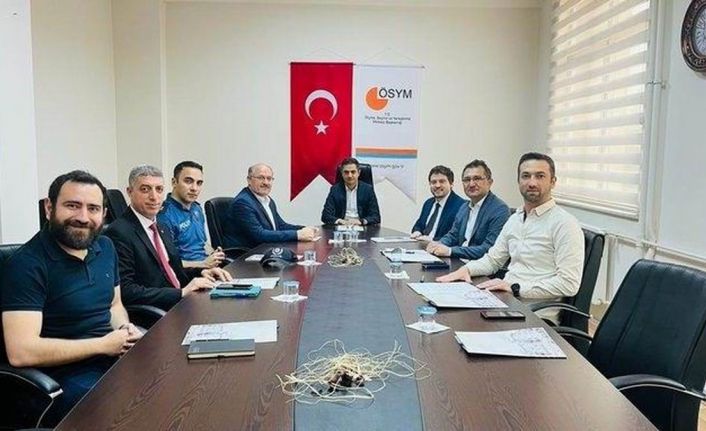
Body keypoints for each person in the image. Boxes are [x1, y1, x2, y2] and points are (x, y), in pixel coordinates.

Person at [1, 170, 143, 425]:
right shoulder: (26, 264)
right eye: (72, 205)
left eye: (93, 208)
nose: (83, 217)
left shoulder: (106, 247)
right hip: (65, 377)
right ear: (49, 208)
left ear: (104, 213)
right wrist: (103, 345)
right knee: (133, 409)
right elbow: (21, 352)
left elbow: (114, 304)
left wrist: (124, 328)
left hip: (112, 357)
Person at [437, 153, 584, 322]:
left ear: (553, 182)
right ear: (519, 181)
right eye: (526, 176)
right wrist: (466, 270)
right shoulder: (515, 219)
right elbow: (493, 260)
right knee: (446, 315)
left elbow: (569, 284)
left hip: (535, 315)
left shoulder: (565, 223)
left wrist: (515, 288)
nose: (532, 183)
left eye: (540, 176)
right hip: (505, 302)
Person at [105, 165, 231, 311]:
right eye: (145, 189)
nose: (154, 197)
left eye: (159, 189)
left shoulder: (161, 225)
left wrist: (201, 272)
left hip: (182, 302)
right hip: (160, 312)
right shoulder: (119, 232)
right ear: (129, 192)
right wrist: (181, 293)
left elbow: (172, 270)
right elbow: (126, 291)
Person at [426, 160, 510, 259]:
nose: (471, 184)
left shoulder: (500, 210)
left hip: (479, 265)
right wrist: (438, 244)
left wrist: (450, 251)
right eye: (467, 180)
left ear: (489, 182)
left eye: (477, 178)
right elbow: (453, 235)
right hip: (458, 261)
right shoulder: (464, 207)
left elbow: (489, 249)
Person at [223, 163, 318, 248]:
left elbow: (280, 226)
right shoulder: (243, 203)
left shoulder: (268, 200)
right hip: (245, 255)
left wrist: (304, 229)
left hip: (266, 249)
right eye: (261, 178)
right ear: (249, 180)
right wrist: (298, 234)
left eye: (269, 178)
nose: (266, 182)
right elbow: (259, 235)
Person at [157, 161, 225, 268]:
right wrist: (203, 264)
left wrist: (215, 254)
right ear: (174, 182)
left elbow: (202, 243)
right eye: (188, 181)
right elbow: (165, 262)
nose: (194, 188)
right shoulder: (164, 216)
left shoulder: (196, 208)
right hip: (188, 272)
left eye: (199, 183)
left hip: (207, 267)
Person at [410, 165, 466, 241]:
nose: (437, 185)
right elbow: (419, 224)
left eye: (442, 181)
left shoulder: (461, 206)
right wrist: (417, 231)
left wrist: (432, 239)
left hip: (441, 246)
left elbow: (457, 237)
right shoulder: (428, 203)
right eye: (433, 182)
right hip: (421, 244)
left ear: (451, 184)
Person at [321, 157, 381, 226]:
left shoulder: (368, 190)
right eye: (346, 172)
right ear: (342, 173)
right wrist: (340, 221)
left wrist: (361, 221)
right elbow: (325, 216)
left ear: (359, 172)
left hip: (361, 226)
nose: (350, 175)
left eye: (353, 172)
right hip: (342, 226)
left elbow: (376, 217)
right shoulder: (335, 190)